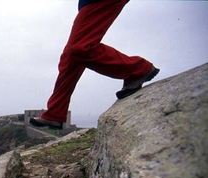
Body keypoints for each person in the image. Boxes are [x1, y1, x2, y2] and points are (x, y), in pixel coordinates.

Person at [30, 0, 159, 130]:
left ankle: (139, 69)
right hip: (88, 3)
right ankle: (55, 114)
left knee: (80, 47)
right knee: (69, 58)